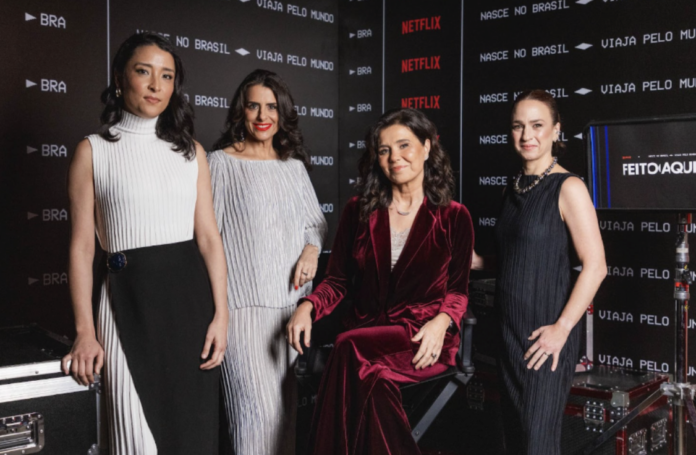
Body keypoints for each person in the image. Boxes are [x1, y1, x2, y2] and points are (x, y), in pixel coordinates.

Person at [61, 32, 228, 455]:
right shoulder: (92, 151)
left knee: (192, 439)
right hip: (126, 305)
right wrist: (85, 332)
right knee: (134, 440)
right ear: (120, 79)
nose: (156, 85)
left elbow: (209, 239)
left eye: (167, 76)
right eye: (144, 72)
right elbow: (82, 248)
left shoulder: (192, 153)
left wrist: (222, 316)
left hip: (190, 310)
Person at [286, 108, 474, 455]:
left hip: (420, 338)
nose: (394, 157)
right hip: (367, 334)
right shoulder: (359, 211)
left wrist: (442, 322)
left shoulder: (454, 216)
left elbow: (458, 291)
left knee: (347, 347)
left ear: (427, 147)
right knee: (375, 381)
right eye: (384, 150)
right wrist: (308, 305)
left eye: (404, 145)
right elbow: (337, 280)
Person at [472, 90, 607, 455]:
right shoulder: (512, 187)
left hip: (545, 338)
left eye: (537, 125)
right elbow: (517, 257)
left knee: (537, 444)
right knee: (516, 442)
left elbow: (596, 266)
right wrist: (474, 261)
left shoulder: (569, 187)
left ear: (556, 130)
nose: (526, 135)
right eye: (518, 126)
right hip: (509, 334)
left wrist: (561, 329)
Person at [208, 69, 327, 455]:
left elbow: (316, 224)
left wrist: (311, 249)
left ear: (283, 112)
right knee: (253, 420)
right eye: (253, 106)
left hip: (290, 310)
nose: (263, 115)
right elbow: (206, 239)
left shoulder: (293, 166)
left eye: (272, 107)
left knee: (283, 422)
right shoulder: (219, 163)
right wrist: (219, 312)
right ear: (240, 111)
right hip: (242, 311)